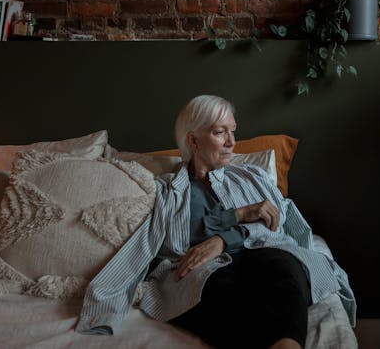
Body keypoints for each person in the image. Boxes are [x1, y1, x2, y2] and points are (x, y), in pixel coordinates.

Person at [77, 95, 355, 348]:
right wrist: (239, 214)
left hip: (262, 254)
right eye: (220, 132)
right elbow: (160, 240)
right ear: (193, 141)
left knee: (284, 267)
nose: (232, 142)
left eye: (232, 131)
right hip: (204, 269)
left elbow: (275, 226)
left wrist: (225, 239)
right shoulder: (169, 191)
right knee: (211, 293)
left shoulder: (253, 177)